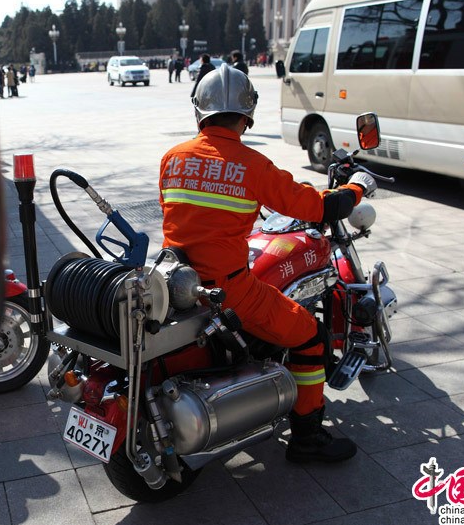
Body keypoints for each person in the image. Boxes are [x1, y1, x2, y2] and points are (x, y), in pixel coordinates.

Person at [159, 66, 377, 463]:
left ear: (199, 112)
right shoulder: (252, 166)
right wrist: (357, 185)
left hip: (175, 283)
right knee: (310, 334)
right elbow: (321, 206)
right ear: (247, 115)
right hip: (230, 290)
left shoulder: (172, 158)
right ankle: (308, 437)